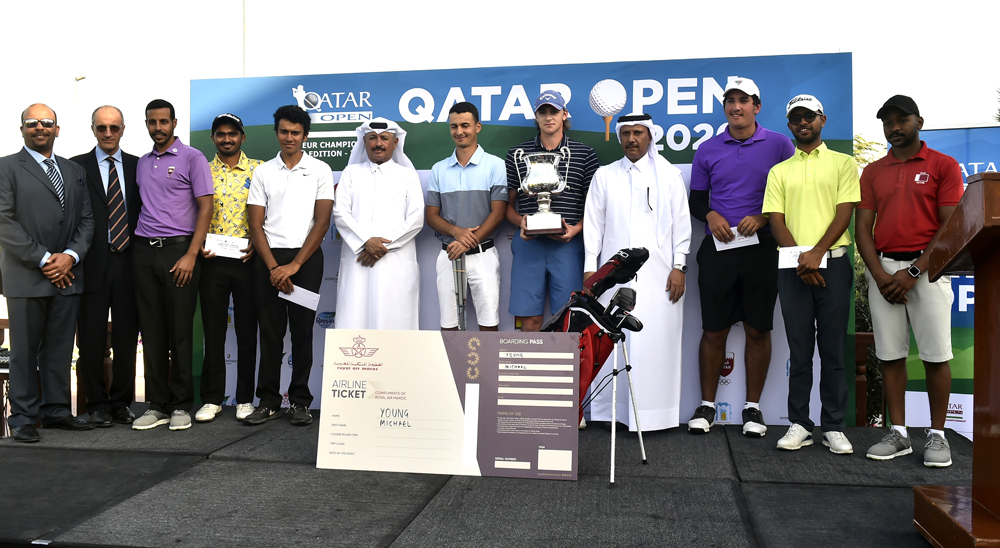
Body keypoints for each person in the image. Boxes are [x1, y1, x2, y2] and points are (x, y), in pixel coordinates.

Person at [857, 95, 963, 467]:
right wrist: (882, 275)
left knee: (935, 356)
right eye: (887, 122)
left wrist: (913, 272)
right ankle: (898, 433)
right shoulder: (872, 171)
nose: (894, 128)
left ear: (919, 121)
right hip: (884, 271)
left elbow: (949, 226)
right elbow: (863, 231)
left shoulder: (943, 165)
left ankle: (937, 435)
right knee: (889, 355)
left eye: (901, 120)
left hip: (929, 271)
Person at [687, 77, 795, 437]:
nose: (736, 107)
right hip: (718, 248)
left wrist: (765, 217)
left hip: (762, 248)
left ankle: (752, 409)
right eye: (730, 101)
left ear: (756, 106)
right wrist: (711, 215)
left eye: (743, 100)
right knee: (713, 329)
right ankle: (706, 406)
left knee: (758, 328)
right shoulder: (708, 149)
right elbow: (697, 200)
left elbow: (792, 197)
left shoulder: (780, 145)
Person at [763, 95, 859, 454]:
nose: (802, 122)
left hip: (831, 263)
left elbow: (844, 213)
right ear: (789, 125)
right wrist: (800, 261)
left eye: (808, 116)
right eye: (795, 118)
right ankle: (800, 423)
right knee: (800, 350)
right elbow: (776, 220)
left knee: (832, 349)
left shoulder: (843, 163)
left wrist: (816, 255)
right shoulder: (779, 171)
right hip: (793, 268)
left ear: (822, 119)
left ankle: (833, 425)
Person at [583, 114, 691, 431]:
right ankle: (609, 413)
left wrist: (679, 266)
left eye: (638, 133)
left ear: (650, 136)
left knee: (655, 341)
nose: (632, 139)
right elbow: (593, 226)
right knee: (611, 338)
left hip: (660, 276)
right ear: (620, 138)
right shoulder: (605, 176)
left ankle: (655, 415)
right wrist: (592, 271)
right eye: (626, 133)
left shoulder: (669, 175)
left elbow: (682, 224)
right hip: (611, 276)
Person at [0, 103, 95, 442]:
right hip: (26, 278)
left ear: (58, 129)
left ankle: (56, 410)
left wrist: (69, 257)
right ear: (22, 129)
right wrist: (44, 259)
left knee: (59, 349)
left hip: (68, 276)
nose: (39, 127)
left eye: (46, 123)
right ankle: (24, 417)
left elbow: (86, 221)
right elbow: (4, 222)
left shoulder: (73, 170)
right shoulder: (6, 168)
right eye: (32, 123)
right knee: (24, 352)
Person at [245, 105, 333, 427]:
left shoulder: (320, 170)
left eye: (296, 132)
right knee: (269, 333)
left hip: (305, 262)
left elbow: (322, 224)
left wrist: (294, 265)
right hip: (269, 260)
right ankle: (267, 401)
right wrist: (273, 268)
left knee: (301, 333)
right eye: (284, 131)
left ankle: (300, 402)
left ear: (305, 135)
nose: (289, 137)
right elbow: (256, 225)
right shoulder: (263, 172)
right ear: (276, 133)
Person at [131, 99, 214, 431]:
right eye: (152, 122)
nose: (158, 128)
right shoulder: (141, 162)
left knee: (180, 331)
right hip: (143, 252)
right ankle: (157, 405)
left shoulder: (192, 158)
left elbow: (205, 208)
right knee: (151, 333)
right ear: (147, 124)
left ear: (174, 123)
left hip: (179, 251)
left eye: (163, 121)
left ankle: (181, 404)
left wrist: (192, 254)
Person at [505, 90, 599, 332]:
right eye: (543, 112)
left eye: (554, 111)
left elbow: (594, 207)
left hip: (568, 244)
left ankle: (562, 371)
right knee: (529, 320)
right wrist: (521, 223)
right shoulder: (516, 154)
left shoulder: (585, 154)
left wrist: (576, 229)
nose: (548, 117)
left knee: (566, 318)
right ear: (536, 117)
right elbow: (507, 207)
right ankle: (527, 369)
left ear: (564, 114)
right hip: (528, 244)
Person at [71, 105, 141, 427]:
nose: (108, 133)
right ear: (93, 130)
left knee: (127, 339)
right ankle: (96, 403)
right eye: (102, 128)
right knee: (91, 340)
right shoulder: (76, 168)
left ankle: (122, 403)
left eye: (114, 127)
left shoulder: (139, 167)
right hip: (90, 265)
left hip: (129, 264)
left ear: (123, 129)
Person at [195, 113, 262, 423]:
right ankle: (212, 399)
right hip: (211, 261)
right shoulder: (202, 171)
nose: (226, 139)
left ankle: (245, 398)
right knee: (214, 332)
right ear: (213, 138)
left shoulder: (260, 170)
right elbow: (192, 214)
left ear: (242, 137)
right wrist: (199, 246)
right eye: (220, 134)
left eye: (232, 134)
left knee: (248, 333)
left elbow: (271, 215)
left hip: (248, 260)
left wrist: (258, 245)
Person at [334, 117, 424, 330]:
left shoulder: (408, 176)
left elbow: (416, 218)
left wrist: (382, 246)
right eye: (372, 138)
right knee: (354, 322)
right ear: (364, 141)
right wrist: (366, 241)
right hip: (359, 260)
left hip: (395, 262)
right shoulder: (350, 174)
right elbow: (340, 213)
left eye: (384, 138)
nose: (378, 143)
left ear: (395, 143)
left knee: (395, 324)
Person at [426, 102, 506, 331]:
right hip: (449, 254)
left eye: (465, 125)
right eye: (454, 126)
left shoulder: (495, 164)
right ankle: (451, 369)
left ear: (478, 127)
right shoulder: (439, 169)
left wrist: (468, 241)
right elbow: (431, 216)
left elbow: (498, 212)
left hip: (484, 255)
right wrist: (457, 233)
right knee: (449, 327)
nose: (459, 131)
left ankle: (487, 369)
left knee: (489, 325)